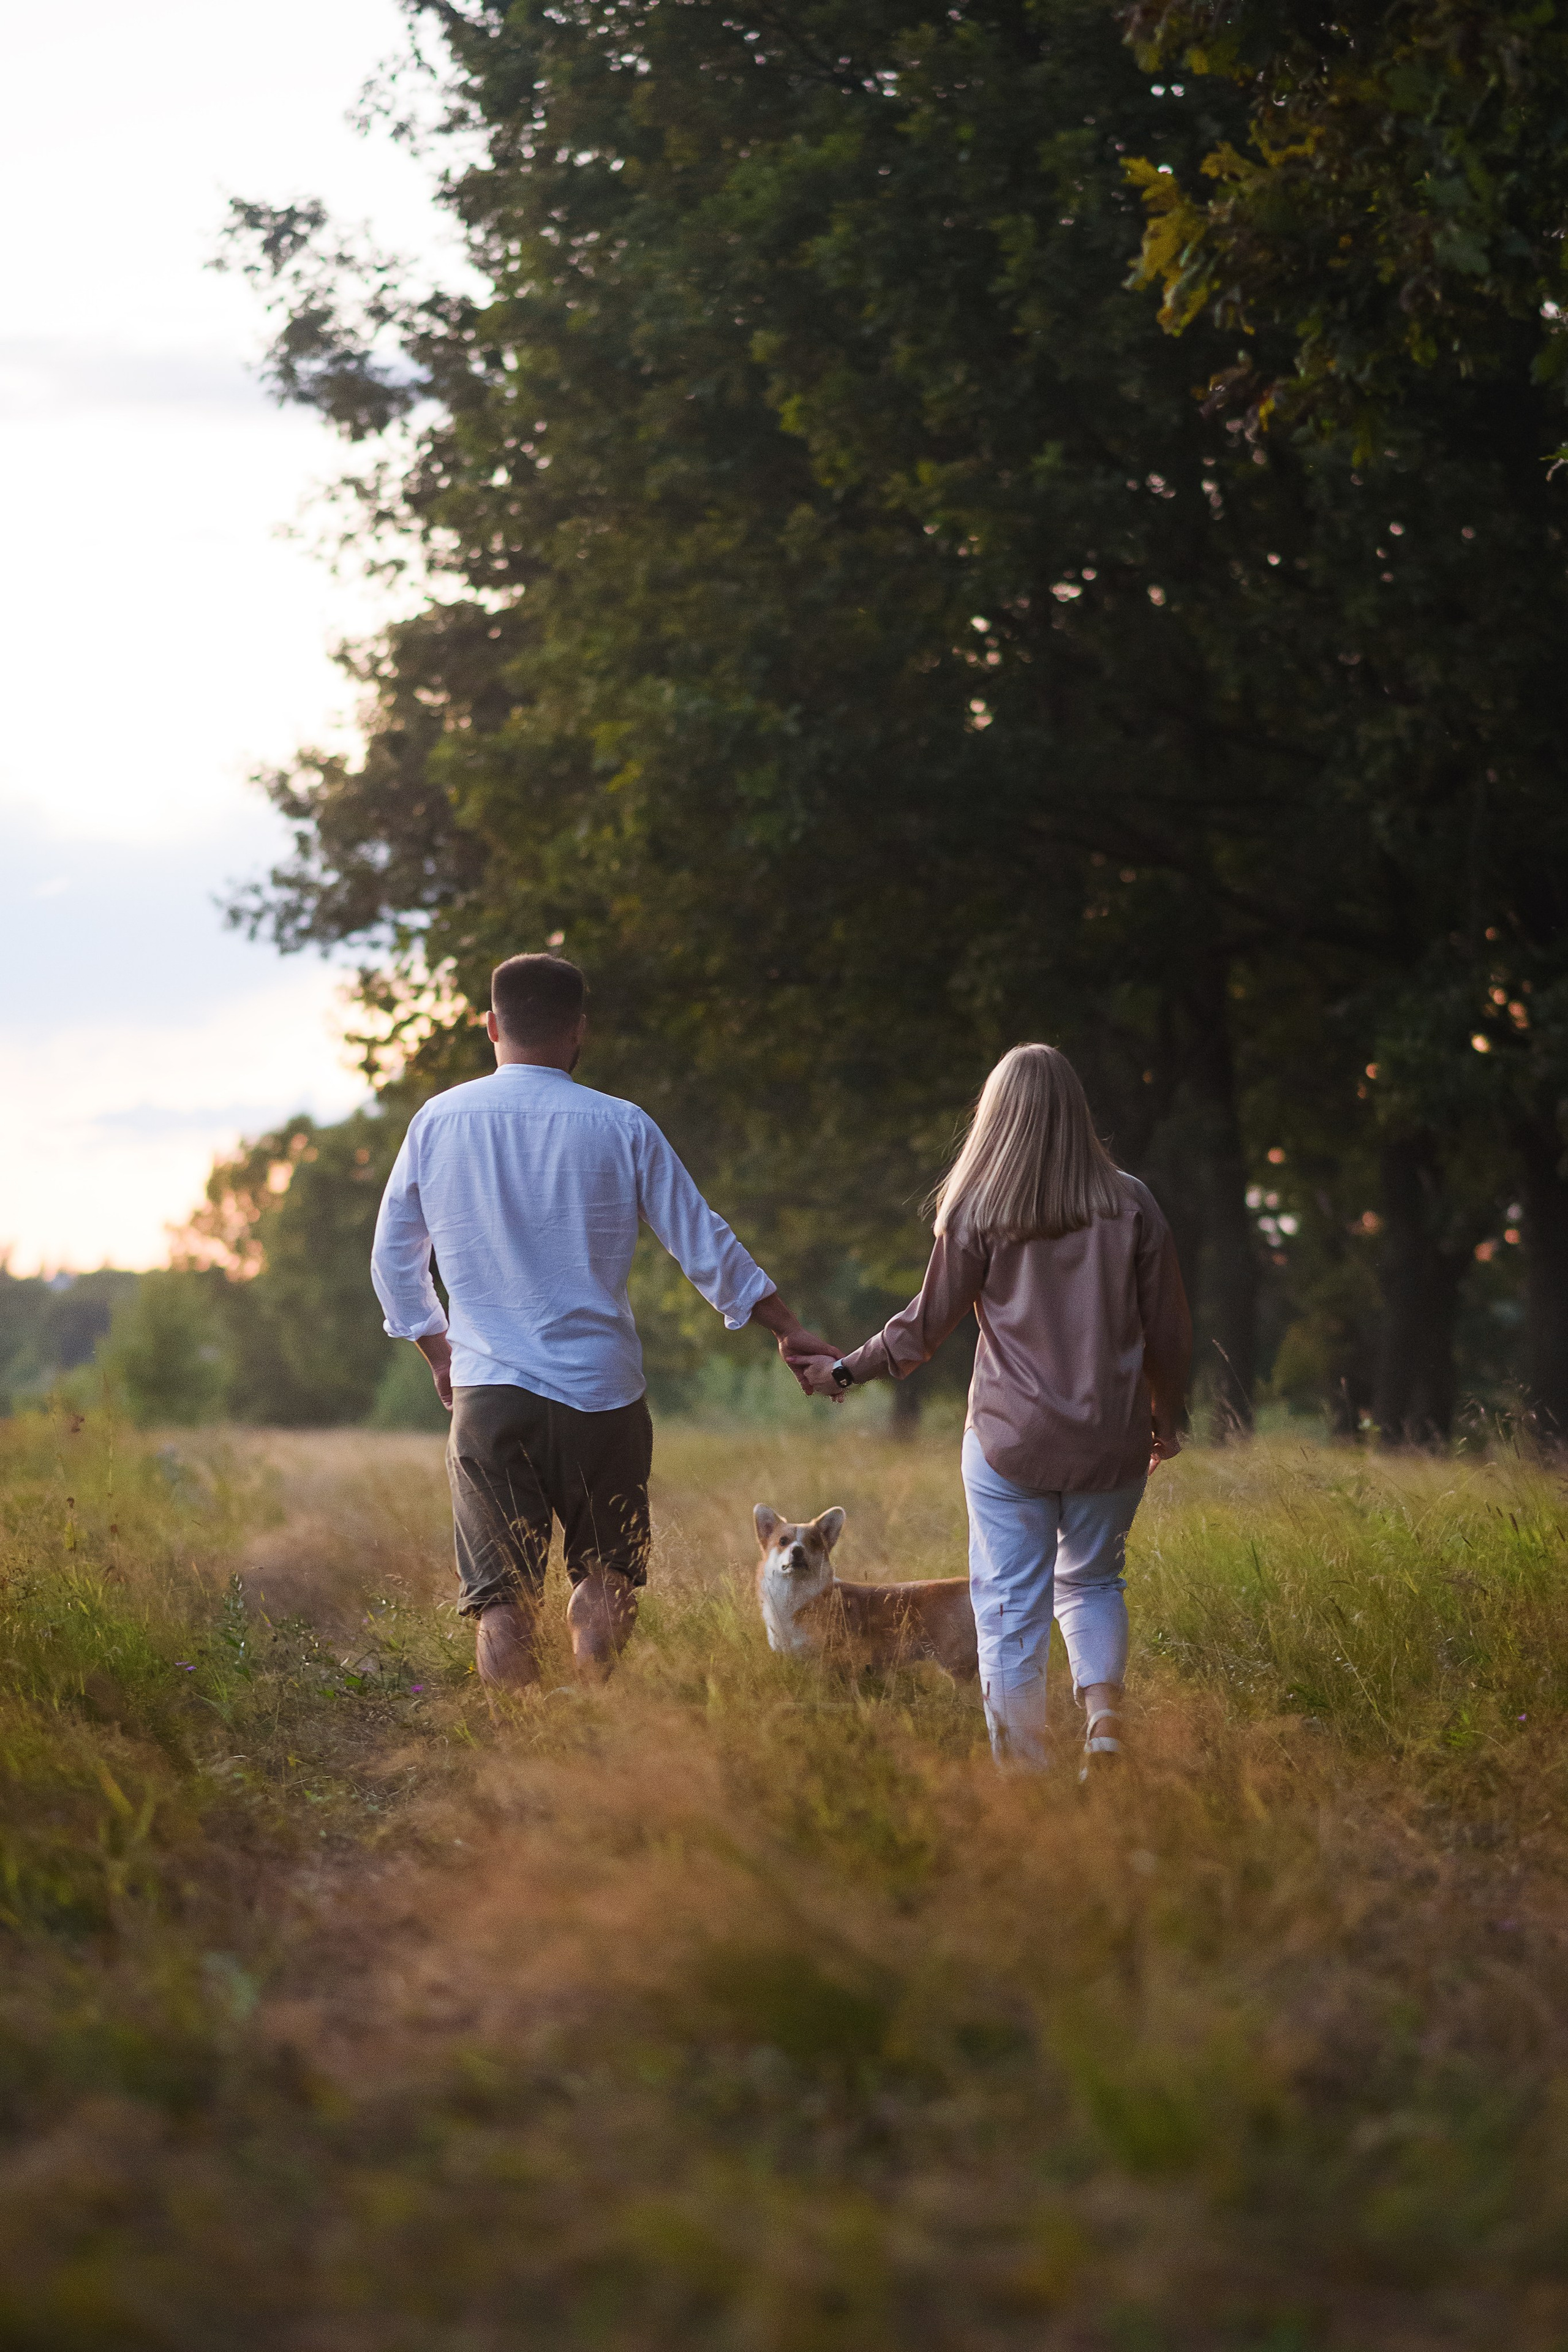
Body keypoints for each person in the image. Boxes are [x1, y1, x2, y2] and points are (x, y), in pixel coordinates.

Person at [371, 952, 832, 1691]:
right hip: (604, 1398)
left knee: (502, 1600)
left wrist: (438, 1350)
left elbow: (394, 1262)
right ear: (579, 1030)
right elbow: (700, 1238)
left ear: (490, 1026)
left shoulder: (437, 1122)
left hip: (490, 1393)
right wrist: (783, 1324)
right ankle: (593, 1718)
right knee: (607, 1575)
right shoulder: (622, 1124)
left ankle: (524, 1758)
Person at [788, 1044, 1191, 1774]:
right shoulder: (1132, 1202)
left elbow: (925, 1325)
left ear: (994, 1116)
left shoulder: (978, 1207)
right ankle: (1103, 1721)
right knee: (1094, 1581)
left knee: (1009, 1608)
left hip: (1011, 1441)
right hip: (1112, 1438)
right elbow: (1168, 1327)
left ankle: (1025, 1777)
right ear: (1077, 1112)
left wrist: (845, 1369)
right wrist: (1168, 1412)